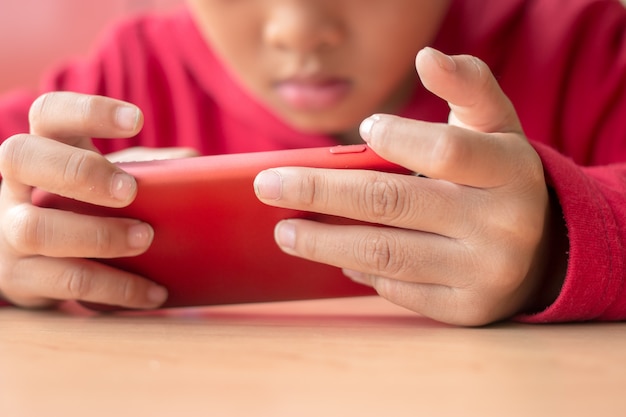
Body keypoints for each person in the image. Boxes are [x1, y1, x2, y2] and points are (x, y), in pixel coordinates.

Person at [0, 0, 624, 326]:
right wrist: (12, 241)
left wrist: (557, 245)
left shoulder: (587, 49)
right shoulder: (126, 72)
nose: (298, 31)